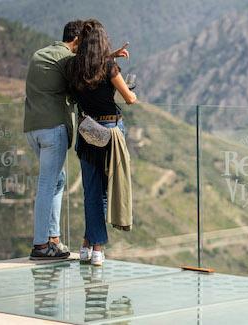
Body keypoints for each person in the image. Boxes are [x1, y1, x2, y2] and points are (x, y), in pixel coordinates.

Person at [66, 19, 137, 266]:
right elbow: (129, 99)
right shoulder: (109, 67)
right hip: (110, 132)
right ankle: (97, 248)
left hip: (87, 131)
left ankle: (87, 243)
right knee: (106, 191)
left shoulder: (74, 67)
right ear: (102, 41)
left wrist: (111, 55)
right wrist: (132, 91)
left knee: (92, 191)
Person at [24, 20, 84, 260]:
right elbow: (79, 87)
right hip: (53, 129)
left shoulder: (41, 54)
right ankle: (40, 245)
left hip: (32, 129)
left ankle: (53, 238)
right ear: (77, 40)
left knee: (57, 180)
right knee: (48, 184)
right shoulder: (68, 60)